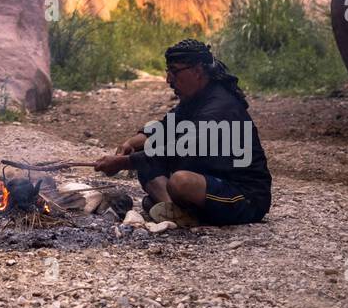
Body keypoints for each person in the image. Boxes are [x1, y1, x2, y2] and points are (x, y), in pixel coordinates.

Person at [92, 39, 271, 226]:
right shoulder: (196, 98)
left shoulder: (221, 107)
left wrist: (122, 163)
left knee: (180, 182)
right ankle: (176, 210)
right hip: (210, 180)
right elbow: (165, 127)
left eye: (174, 72)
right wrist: (131, 143)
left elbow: (178, 151)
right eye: (168, 72)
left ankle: (176, 208)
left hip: (244, 197)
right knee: (146, 162)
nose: (169, 80)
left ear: (198, 71)